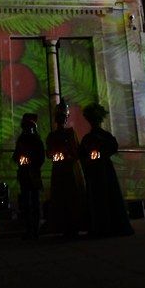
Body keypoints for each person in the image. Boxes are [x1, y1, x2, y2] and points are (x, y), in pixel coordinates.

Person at [78, 103, 134, 237]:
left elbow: (112, 147)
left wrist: (100, 153)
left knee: (106, 195)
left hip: (103, 169)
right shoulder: (90, 137)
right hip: (95, 171)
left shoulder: (101, 136)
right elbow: (82, 152)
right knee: (97, 197)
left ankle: (107, 225)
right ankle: (100, 225)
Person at [45, 101, 86, 237]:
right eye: (59, 117)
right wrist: (55, 154)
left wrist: (68, 154)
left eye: (63, 117)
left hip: (70, 169)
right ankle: (62, 225)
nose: (61, 120)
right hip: (59, 170)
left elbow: (77, 150)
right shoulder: (52, 136)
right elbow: (49, 152)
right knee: (60, 196)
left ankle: (74, 225)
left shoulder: (70, 133)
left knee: (72, 195)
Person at [12, 113, 45, 240]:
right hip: (24, 174)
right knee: (26, 202)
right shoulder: (21, 139)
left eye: (30, 126)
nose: (28, 128)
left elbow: (41, 157)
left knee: (35, 202)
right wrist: (20, 159)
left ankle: (35, 229)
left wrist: (32, 162)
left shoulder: (37, 140)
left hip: (34, 174)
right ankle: (28, 228)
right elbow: (16, 155)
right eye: (26, 126)